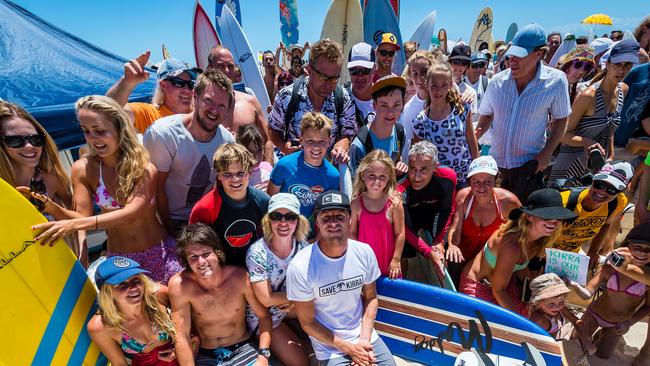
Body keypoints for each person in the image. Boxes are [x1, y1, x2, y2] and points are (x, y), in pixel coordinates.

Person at [33, 96, 183, 284]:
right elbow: (81, 218)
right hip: (121, 262)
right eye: (86, 131)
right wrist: (53, 209)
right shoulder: (83, 169)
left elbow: (131, 214)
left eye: (100, 131)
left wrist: (73, 225)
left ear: (120, 128)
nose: (93, 138)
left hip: (159, 253)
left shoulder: (143, 167)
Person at [286, 190, 396, 365]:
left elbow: (371, 297)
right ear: (318, 223)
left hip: (364, 337)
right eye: (326, 218)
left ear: (350, 219)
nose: (333, 223)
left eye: (339, 216)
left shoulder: (364, 252)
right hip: (330, 347)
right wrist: (349, 349)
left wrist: (364, 341)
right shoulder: (301, 266)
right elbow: (307, 323)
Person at [476, 23, 571, 201]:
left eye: (519, 56)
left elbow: (561, 119)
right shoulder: (496, 82)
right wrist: (475, 137)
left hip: (530, 168)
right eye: (511, 54)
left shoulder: (556, 81)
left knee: (524, 223)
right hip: (496, 168)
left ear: (539, 54)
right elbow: (487, 114)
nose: (511, 60)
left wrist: (546, 154)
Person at [143, 69, 235, 236]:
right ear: (195, 97)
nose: (214, 110)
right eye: (209, 101)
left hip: (204, 220)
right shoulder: (163, 134)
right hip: (165, 221)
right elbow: (156, 190)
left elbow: (223, 189)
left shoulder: (227, 141)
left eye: (222, 105)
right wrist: (171, 235)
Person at [459, 188, 577, 316]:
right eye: (547, 216)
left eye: (558, 217)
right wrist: (521, 322)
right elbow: (498, 290)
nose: (553, 221)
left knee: (535, 313)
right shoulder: (511, 245)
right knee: (506, 324)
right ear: (529, 216)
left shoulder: (539, 240)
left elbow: (519, 268)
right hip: (478, 286)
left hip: (503, 284)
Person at [169, 223, 272, 366]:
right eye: (193, 257)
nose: (201, 262)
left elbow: (264, 316)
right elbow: (181, 336)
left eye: (206, 254)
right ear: (186, 260)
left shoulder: (240, 277)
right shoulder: (180, 285)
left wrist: (263, 356)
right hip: (206, 354)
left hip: (243, 348)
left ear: (217, 252)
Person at [550, 41, 638, 183]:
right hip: (569, 167)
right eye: (617, 64)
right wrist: (588, 142)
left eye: (627, 65)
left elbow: (608, 126)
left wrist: (611, 152)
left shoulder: (624, 90)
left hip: (597, 166)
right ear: (608, 63)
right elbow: (562, 135)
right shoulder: (589, 95)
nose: (621, 70)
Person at [567, 224, 650, 360]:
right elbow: (587, 293)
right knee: (575, 345)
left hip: (619, 323)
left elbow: (648, 307)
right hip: (594, 315)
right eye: (637, 248)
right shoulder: (609, 268)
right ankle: (594, 334)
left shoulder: (647, 280)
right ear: (626, 246)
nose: (642, 253)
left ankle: (602, 335)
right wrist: (575, 285)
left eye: (648, 250)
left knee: (602, 356)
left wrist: (629, 323)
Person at [245, 193, 310, 366]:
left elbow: (313, 286)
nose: (283, 223)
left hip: (292, 308)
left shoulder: (303, 247)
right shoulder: (257, 252)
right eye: (276, 217)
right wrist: (296, 298)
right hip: (267, 318)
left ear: (298, 220)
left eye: (290, 217)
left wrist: (294, 302)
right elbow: (266, 299)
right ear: (268, 220)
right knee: (301, 362)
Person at [269, 39, 356, 162]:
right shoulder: (285, 97)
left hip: (329, 175)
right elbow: (273, 129)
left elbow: (347, 133)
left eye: (334, 78)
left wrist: (340, 147)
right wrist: (284, 147)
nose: (328, 84)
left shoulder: (344, 98)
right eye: (322, 77)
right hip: (295, 172)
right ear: (309, 70)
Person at [87, 256, 179, 366]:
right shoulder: (100, 326)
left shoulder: (159, 295)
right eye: (122, 284)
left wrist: (179, 350)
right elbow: (120, 364)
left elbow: (193, 325)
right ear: (107, 292)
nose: (133, 287)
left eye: (136, 280)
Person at [190, 143, 270, 267]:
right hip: (222, 267)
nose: (235, 179)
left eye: (240, 173)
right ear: (218, 175)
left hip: (254, 263)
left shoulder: (262, 200)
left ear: (249, 172)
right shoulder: (205, 207)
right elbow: (197, 247)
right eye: (227, 173)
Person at [446, 156, 521, 286]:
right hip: (463, 257)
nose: (482, 187)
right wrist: (452, 246)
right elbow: (455, 229)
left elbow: (523, 229)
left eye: (487, 181)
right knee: (453, 261)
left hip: (491, 263)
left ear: (496, 180)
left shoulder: (509, 202)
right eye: (476, 182)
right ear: (469, 182)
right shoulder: (463, 197)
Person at [0, 101, 72, 220]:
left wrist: (53, 208)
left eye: (35, 139)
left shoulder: (52, 179)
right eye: (15, 140)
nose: (29, 146)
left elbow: (78, 222)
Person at [411, 61, 479, 185]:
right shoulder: (419, 121)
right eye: (434, 85)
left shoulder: (462, 110)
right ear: (427, 84)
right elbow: (417, 157)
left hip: (464, 178)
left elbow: (470, 138)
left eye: (444, 85)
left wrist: (478, 168)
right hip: (437, 182)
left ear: (450, 85)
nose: (438, 90)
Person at [551, 163, 631, 264]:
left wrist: (593, 251)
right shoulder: (564, 201)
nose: (602, 191)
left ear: (619, 192)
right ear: (593, 180)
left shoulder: (618, 202)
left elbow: (606, 224)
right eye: (599, 185)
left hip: (571, 258)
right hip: (545, 253)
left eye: (611, 190)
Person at [267, 112, 339, 221]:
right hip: (284, 227)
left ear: (329, 141)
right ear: (301, 140)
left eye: (322, 141)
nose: (316, 147)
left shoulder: (333, 176)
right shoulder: (284, 166)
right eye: (310, 141)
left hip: (311, 234)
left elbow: (326, 214)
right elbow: (270, 202)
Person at [398, 141, 456, 275]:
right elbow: (404, 229)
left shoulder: (448, 177)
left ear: (435, 167)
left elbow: (446, 210)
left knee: (446, 249)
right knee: (403, 251)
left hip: (433, 215)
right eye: (413, 168)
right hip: (409, 218)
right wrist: (429, 253)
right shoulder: (400, 189)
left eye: (423, 169)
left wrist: (438, 241)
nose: (416, 177)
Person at [107, 53, 197, 134]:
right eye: (179, 83)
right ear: (163, 85)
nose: (187, 89)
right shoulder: (147, 114)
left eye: (190, 84)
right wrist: (126, 82)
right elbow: (108, 111)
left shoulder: (199, 116)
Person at [350, 150, 405, 278]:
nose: (377, 181)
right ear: (363, 175)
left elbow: (400, 233)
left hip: (388, 264)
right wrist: (356, 257)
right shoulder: (356, 203)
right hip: (363, 263)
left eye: (382, 177)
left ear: (390, 178)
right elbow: (352, 232)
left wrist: (396, 260)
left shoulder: (394, 203)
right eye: (372, 175)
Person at [207, 46, 272, 149]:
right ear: (210, 69)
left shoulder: (250, 102)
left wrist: (267, 164)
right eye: (220, 66)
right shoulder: (201, 106)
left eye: (230, 66)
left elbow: (267, 140)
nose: (227, 70)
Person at [348, 75, 409, 176]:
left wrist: (400, 167)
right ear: (374, 105)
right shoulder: (359, 146)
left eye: (396, 105)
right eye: (384, 105)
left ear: (402, 104)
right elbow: (353, 187)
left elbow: (400, 160)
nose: (390, 112)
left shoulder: (400, 132)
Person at [527, 273, 595, 354]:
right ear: (537, 303)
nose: (557, 307)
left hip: (556, 342)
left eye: (561, 302)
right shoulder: (538, 319)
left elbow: (576, 322)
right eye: (551, 304)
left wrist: (587, 341)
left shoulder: (559, 308)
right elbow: (529, 342)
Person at [236, 125, 273, 191]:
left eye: (259, 150)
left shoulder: (267, 167)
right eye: (250, 151)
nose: (256, 156)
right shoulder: (236, 174)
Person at [346, 42, 376, 122]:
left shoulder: (384, 100)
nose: (360, 76)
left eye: (365, 70)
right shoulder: (339, 99)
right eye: (354, 70)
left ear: (374, 68)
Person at [448, 44, 478, 116]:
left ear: (467, 67)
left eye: (464, 63)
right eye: (456, 62)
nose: (459, 67)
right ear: (449, 62)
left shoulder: (471, 92)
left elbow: (470, 121)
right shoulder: (438, 85)